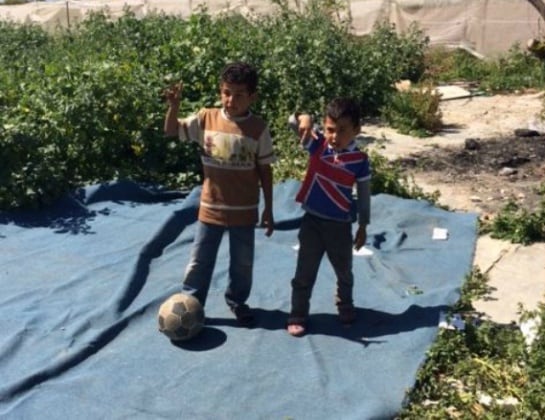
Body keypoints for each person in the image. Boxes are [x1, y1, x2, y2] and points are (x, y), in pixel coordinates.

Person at [163, 62, 275, 326]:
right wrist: (174, 107)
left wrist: (269, 208)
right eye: (226, 92)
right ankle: (192, 303)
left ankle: (237, 302)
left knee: (242, 264)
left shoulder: (258, 129)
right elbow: (170, 130)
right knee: (200, 260)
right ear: (220, 91)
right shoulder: (206, 119)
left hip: (244, 211)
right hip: (210, 209)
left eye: (238, 94)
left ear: (252, 97)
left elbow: (265, 171)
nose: (230, 100)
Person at [286, 97, 371, 336]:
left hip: (340, 227)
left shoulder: (360, 161)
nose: (335, 136)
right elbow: (292, 123)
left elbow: (364, 195)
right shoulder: (318, 145)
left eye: (343, 130)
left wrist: (363, 226)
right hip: (311, 222)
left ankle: (345, 304)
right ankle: (298, 313)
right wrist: (304, 117)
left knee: (344, 270)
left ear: (357, 129)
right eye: (330, 129)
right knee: (304, 271)